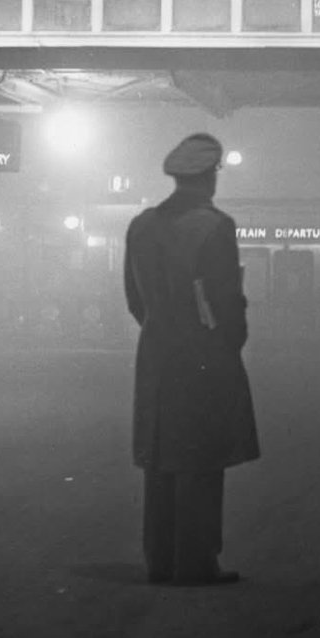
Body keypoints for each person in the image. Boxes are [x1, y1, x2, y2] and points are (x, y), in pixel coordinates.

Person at [124, 133, 260, 586]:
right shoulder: (214, 226)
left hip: (156, 353)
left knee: (160, 459)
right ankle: (196, 562)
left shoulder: (141, 225)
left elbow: (133, 299)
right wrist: (227, 344)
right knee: (201, 460)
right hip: (202, 355)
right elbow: (226, 301)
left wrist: (160, 330)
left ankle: (159, 561)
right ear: (209, 176)